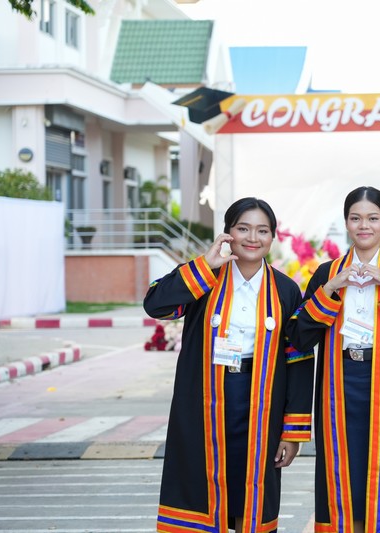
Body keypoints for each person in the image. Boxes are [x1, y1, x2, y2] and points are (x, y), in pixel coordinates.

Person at [144, 197, 314, 532]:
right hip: (204, 404)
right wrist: (204, 264)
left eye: (262, 230)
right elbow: (156, 305)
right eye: (243, 228)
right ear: (228, 233)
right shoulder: (205, 279)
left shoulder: (286, 290)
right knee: (202, 492)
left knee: (249, 496)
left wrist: (292, 432)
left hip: (262, 403)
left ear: (273, 236)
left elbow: (299, 360)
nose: (253, 238)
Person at [287, 186, 380, 533]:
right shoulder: (326, 273)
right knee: (344, 477)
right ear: (346, 223)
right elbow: (299, 336)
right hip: (338, 386)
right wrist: (330, 289)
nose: (364, 226)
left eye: (372, 218)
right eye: (356, 218)